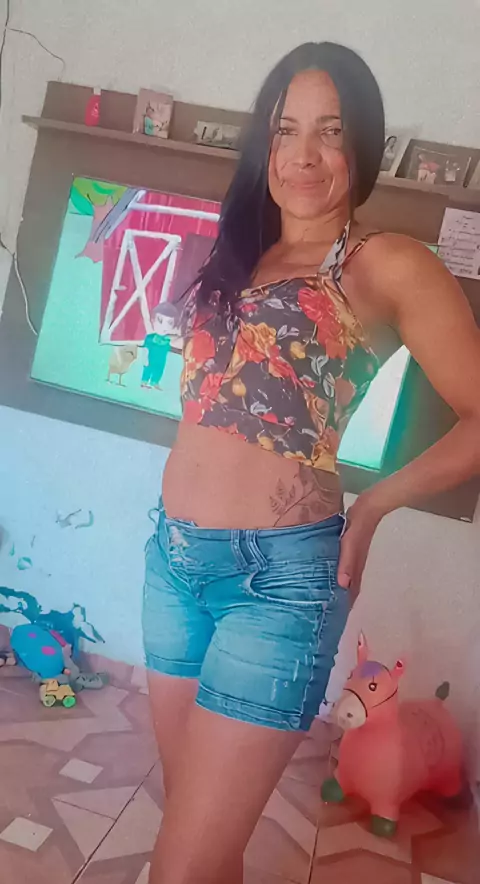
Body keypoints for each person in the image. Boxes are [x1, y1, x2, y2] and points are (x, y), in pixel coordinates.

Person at [142, 42, 480, 884]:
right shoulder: (239, 252)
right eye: (285, 129)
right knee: (197, 837)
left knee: (179, 868)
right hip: (172, 565)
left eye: (329, 131)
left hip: (279, 587)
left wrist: (375, 505)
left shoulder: (385, 263)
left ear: (360, 145)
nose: (303, 154)